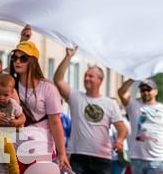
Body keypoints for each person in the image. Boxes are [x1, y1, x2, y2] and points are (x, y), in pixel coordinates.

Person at [55, 46, 128, 174]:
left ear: (100, 80)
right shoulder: (75, 97)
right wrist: (68, 57)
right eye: (85, 75)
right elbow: (58, 80)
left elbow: (122, 129)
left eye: (90, 76)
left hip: (102, 158)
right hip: (78, 156)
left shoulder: (109, 103)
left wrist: (120, 140)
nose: (86, 78)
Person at [10, 39, 71, 171]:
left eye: (23, 58)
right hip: (14, 147)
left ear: (33, 61)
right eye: (14, 58)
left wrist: (62, 153)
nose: (17, 61)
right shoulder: (10, 84)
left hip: (41, 148)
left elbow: (55, 123)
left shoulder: (48, 88)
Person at [119, 77, 163, 174]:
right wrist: (133, 77)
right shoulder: (134, 104)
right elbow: (121, 92)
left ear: (156, 91)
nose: (145, 92)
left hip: (157, 159)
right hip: (137, 158)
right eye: (142, 90)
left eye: (148, 89)